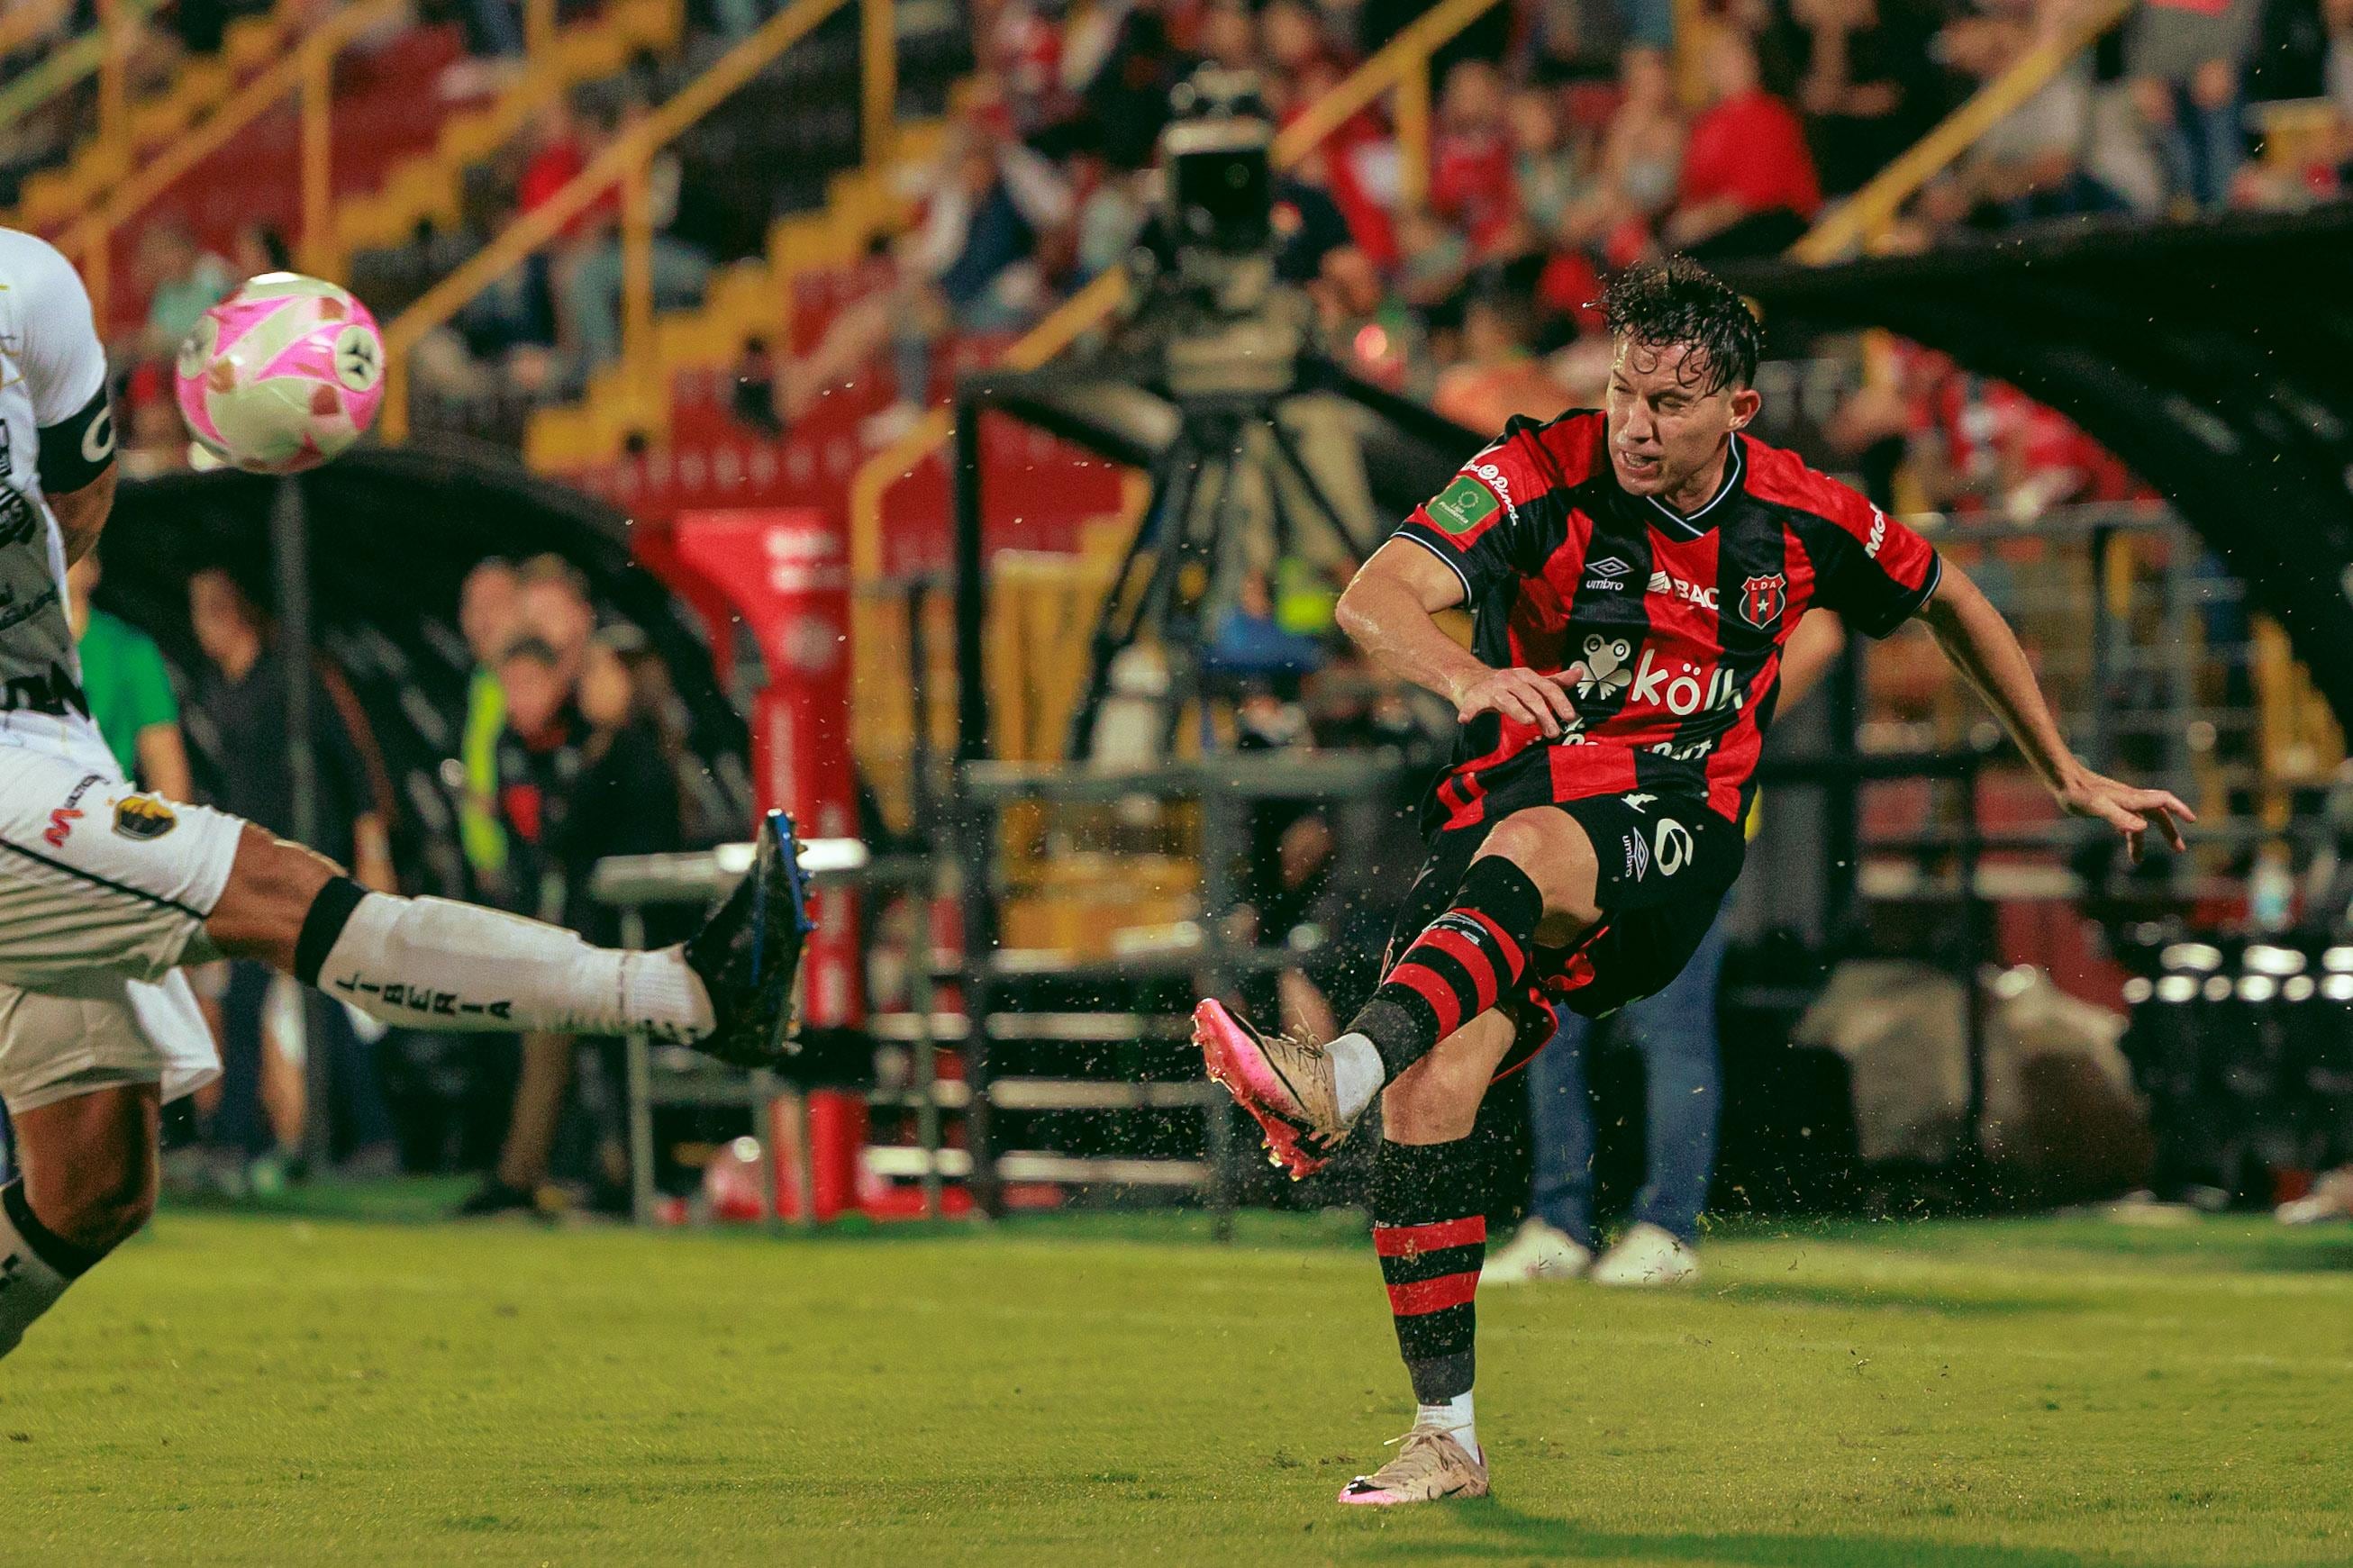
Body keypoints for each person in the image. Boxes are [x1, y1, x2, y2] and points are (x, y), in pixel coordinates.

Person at [1191, 256, 2194, 1506]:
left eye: (1668, 403)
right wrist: (1462, 675)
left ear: (1740, 409)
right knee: (1436, 1086)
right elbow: (1375, 594)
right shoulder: (1535, 471)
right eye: (1623, 392)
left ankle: (1338, 1072)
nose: (1635, 426)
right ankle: (1445, 1433)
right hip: (1510, 828)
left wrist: (2063, 770)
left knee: (1537, 858)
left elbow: (1953, 598)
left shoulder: (1804, 512)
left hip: (1674, 833)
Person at [0, 228, 809, 1362]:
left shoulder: (29, 282)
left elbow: (80, 506)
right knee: (278, 889)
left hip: (49, 729)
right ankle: (694, 995)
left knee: (96, 1179)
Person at [1484, 609, 1848, 1289]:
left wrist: (1724, 724)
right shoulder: (1617, 547)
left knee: (1670, 1025)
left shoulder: (1730, 534)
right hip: (1585, 812)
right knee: (1551, 1023)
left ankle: (1668, 1228)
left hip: (1688, 820)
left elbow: (1820, 631)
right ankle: (1559, 1224)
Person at [65, 552, 192, 801]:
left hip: (102, 821)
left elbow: (166, 766)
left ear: (92, 570)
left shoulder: (128, 650)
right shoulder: (11, 649)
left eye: (66, 548)